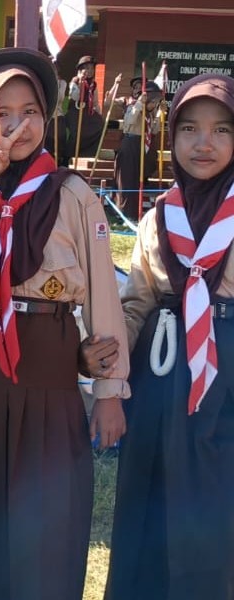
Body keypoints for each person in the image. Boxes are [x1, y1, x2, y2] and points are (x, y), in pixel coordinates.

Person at [0, 47, 129, 600]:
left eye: (30, 111)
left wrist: (109, 392)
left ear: (46, 117)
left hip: (48, 374)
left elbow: (103, 296)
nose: (17, 126)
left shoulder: (72, 193)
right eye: (2, 114)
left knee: (45, 521)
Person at [103, 73, 234, 600]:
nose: (204, 143)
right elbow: (136, 302)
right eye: (189, 128)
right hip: (159, 377)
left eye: (222, 129)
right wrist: (109, 370)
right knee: (151, 507)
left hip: (225, 377)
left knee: (215, 510)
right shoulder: (160, 216)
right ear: (171, 135)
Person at [113, 80, 164, 221]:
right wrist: (140, 103)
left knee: (137, 179)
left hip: (141, 146)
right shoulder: (134, 107)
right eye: (153, 102)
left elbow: (154, 130)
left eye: (156, 102)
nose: (154, 105)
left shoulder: (150, 114)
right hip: (130, 144)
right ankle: (123, 212)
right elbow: (129, 121)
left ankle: (134, 212)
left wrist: (160, 113)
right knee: (127, 180)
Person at [66, 55, 105, 163]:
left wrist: (98, 113)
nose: (90, 71)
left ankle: (88, 152)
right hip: (75, 111)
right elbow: (74, 97)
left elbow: (95, 102)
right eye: (87, 68)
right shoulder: (75, 81)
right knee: (76, 133)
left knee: (99, 124)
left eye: (92, 68)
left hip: (87, 112)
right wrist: (80, 83)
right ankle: (69, 156)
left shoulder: (93, 84)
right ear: (80, 70)